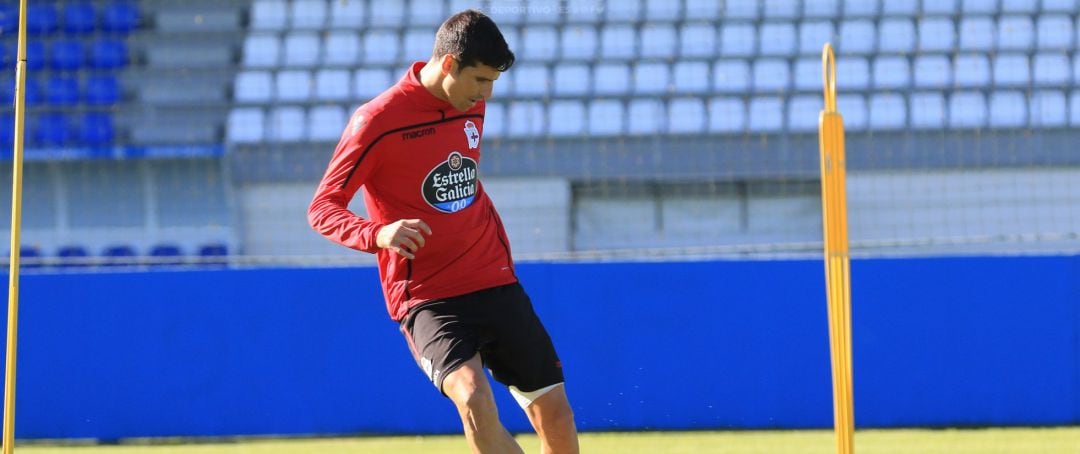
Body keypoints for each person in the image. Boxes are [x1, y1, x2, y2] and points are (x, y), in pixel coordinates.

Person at [307, 9, 579, 454]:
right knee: (472, 396)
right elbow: (322, 208)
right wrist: (377, 234)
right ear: (449, 63)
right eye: (480, 80)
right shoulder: (376, 121)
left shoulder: (471, 104)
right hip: (428, 296)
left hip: (493, 277)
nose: (486, 94)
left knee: (556, 414)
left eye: (492, 83)